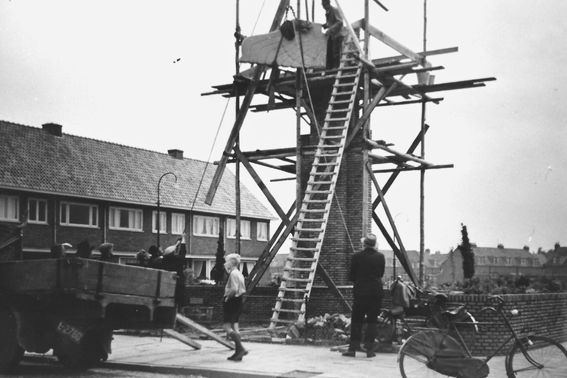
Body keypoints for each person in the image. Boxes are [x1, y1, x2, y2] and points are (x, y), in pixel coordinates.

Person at [343, 233, 385, 358]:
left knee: (357, 321)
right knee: (372, 322)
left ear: (364, 244)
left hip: (360, 293)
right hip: (375, 293)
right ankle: (369, 350)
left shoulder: (356, 256)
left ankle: (353, 349)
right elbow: (381, 274)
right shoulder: (381, 257)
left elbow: (351, 276)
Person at [222, 253, 247, 361]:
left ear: (231, 263)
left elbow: (234, 289)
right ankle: (238, 353)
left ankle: (240, 349)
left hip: (232, 301)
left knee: (226, 327)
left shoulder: (233, 274)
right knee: (235, 327)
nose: (225, 263)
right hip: (238, 301)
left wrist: (227, 297)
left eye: (226, 261)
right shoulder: (238, 273)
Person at [321, 0, 344, 69]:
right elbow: (331, 23)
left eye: (324, 5)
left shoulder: (334, 10)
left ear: (328, 3)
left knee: (336, 53)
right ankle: (330, 67)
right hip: (332, 36)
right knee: (329, 52)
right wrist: (325, 25)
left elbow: (340, 22)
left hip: (337, 35)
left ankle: (336, 68)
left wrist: (330, 29)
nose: (323, 7)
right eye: (322, 5)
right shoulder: (328, 12)